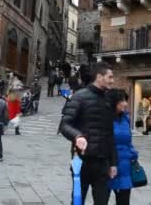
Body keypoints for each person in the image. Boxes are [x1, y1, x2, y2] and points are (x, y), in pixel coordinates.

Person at [60, 62, 117, 205]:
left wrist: (113, 163)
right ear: (99, 77)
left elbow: (110, 135)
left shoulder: (109, 100)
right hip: (82, 161)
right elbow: (65, 125)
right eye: (110, 77)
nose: (112, 80)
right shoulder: (79, 96)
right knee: (78, 201)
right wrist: (77, 136)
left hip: (103, 163)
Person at [108, 90, 139, 205]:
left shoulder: (126, 119)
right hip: (108, 168)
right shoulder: (104, 119)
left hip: (125, 167)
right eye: (122, 100)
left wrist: (133, 153)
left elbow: (128, 141)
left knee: (124, 202)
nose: (125, 103)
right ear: (113, 102)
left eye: (126, 100)